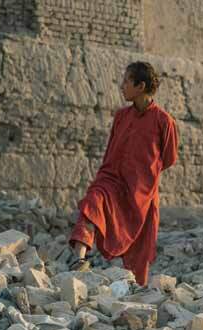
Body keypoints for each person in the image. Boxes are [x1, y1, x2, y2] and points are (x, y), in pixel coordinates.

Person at [69, 62, 178, 286]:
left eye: (127, 82)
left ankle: (136, 295)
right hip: (111, 181)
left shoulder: (163, 121)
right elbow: (112, 147)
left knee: (140, 249)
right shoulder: (121, 116)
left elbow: (169, 158)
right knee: (92, 203)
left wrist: (143, 175)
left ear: (141, 86)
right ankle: (78, 259)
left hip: (142, 193)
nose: (122, 86)